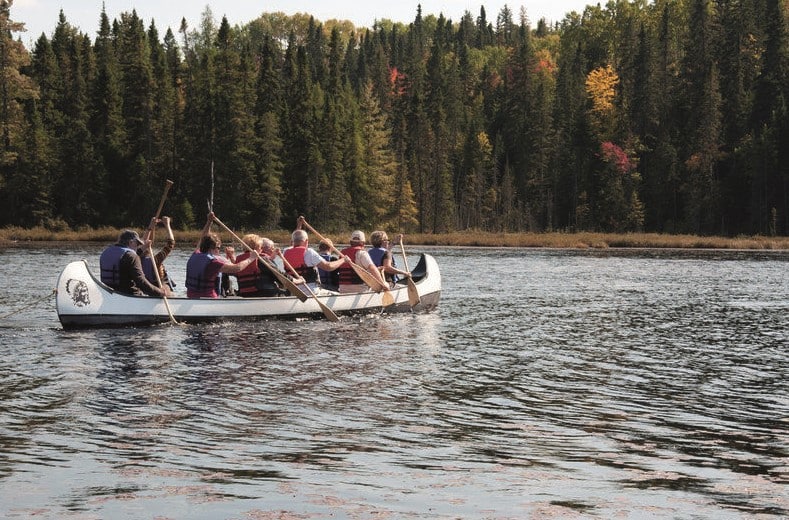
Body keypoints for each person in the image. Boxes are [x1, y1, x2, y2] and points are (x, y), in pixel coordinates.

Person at [185, 212, 261, 298]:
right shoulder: (212, 262)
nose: (218, 251)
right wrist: (251, 258)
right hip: (208, 299)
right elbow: (237, 268)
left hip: (190, 297)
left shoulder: (195, 254)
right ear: (213, 247)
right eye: (218, 248)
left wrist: (209, 222)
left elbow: (203, 237)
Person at [100, 229, 166, 297]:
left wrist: (144, 247)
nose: (138, 247)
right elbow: (141, 282)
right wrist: (159, 292)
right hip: (130, 296)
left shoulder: (106, 252)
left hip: (108, 294)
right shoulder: (132, 256)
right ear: (131, 242)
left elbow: (126, 259)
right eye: (137, 244)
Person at [282, 229, 345, 294]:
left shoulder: (285, 251)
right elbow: (328, 267)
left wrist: (299, 225)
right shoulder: (309, 252)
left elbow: (295, 240)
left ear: (293, 241)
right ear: (306, 241)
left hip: (293, 291)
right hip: (310, 291)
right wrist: (343, 260)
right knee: (337, 294)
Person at [337, 230, 390, 294]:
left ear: (350, 241)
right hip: (360, 289)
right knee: (386, 284)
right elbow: (372, 268)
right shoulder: (362, 253)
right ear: (363, 242)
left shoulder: (342, 253)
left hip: (343, 289)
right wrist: (382, 284)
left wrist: (377, 269)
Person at [138, 216, 176, 293]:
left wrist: (152, 226)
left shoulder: (136, 258)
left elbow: (147, 241)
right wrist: (167, 224)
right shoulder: (156, 260)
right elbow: (170, 243)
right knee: (169, 290)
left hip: (145, 290)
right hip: (159, 290)